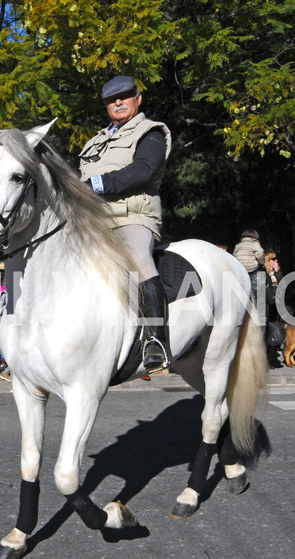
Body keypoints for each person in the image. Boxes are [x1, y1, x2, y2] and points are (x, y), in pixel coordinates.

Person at [79, 75, 172, 373]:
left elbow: (144, 170)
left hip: (133, 217)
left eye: (124, 97)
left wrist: (97, 184)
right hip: (95, 223)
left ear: (137, 98)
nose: (117, 102)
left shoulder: (151, 132)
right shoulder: (94, 142)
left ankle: (156, 340)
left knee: (139, 259)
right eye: (111, 100)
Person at [233, 229, 266, 305]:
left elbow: (234, 256)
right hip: (252, 268)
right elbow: (260, 254)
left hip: (240, 269)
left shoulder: (238, 245)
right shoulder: (255, 244)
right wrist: (262, 262)